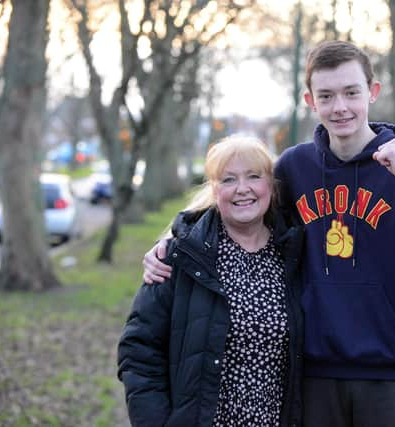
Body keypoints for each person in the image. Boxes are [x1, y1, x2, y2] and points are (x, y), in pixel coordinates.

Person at [143, 40, 395, 427]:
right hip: (311, 374)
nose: (340, 107)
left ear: (372, 92)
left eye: (351, 92)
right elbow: (238, 206)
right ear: (310, 100)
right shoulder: (295, 168)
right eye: (327, 95)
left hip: (389, 373)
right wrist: (171, 239)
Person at [117, 136, 305, 427]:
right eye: (228, 180)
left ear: (270, 184)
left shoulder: (294, 254)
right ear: (214, 189)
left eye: (254, 176)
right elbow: (139, 352)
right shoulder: (181, 256)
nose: (242, 189)